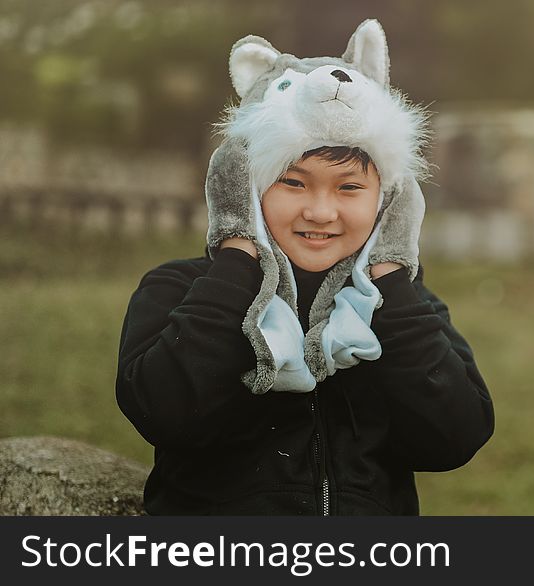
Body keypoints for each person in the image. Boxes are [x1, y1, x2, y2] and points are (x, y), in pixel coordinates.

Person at [115, 20, 494, 515]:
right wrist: (236, 258)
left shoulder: (404, 308)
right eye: (292, 183)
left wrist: (391, 277)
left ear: (389, 201)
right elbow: (165, 411)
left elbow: (454, 438)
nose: (320, 211)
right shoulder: (181, 288)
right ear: (246, 186)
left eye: (350, 188)